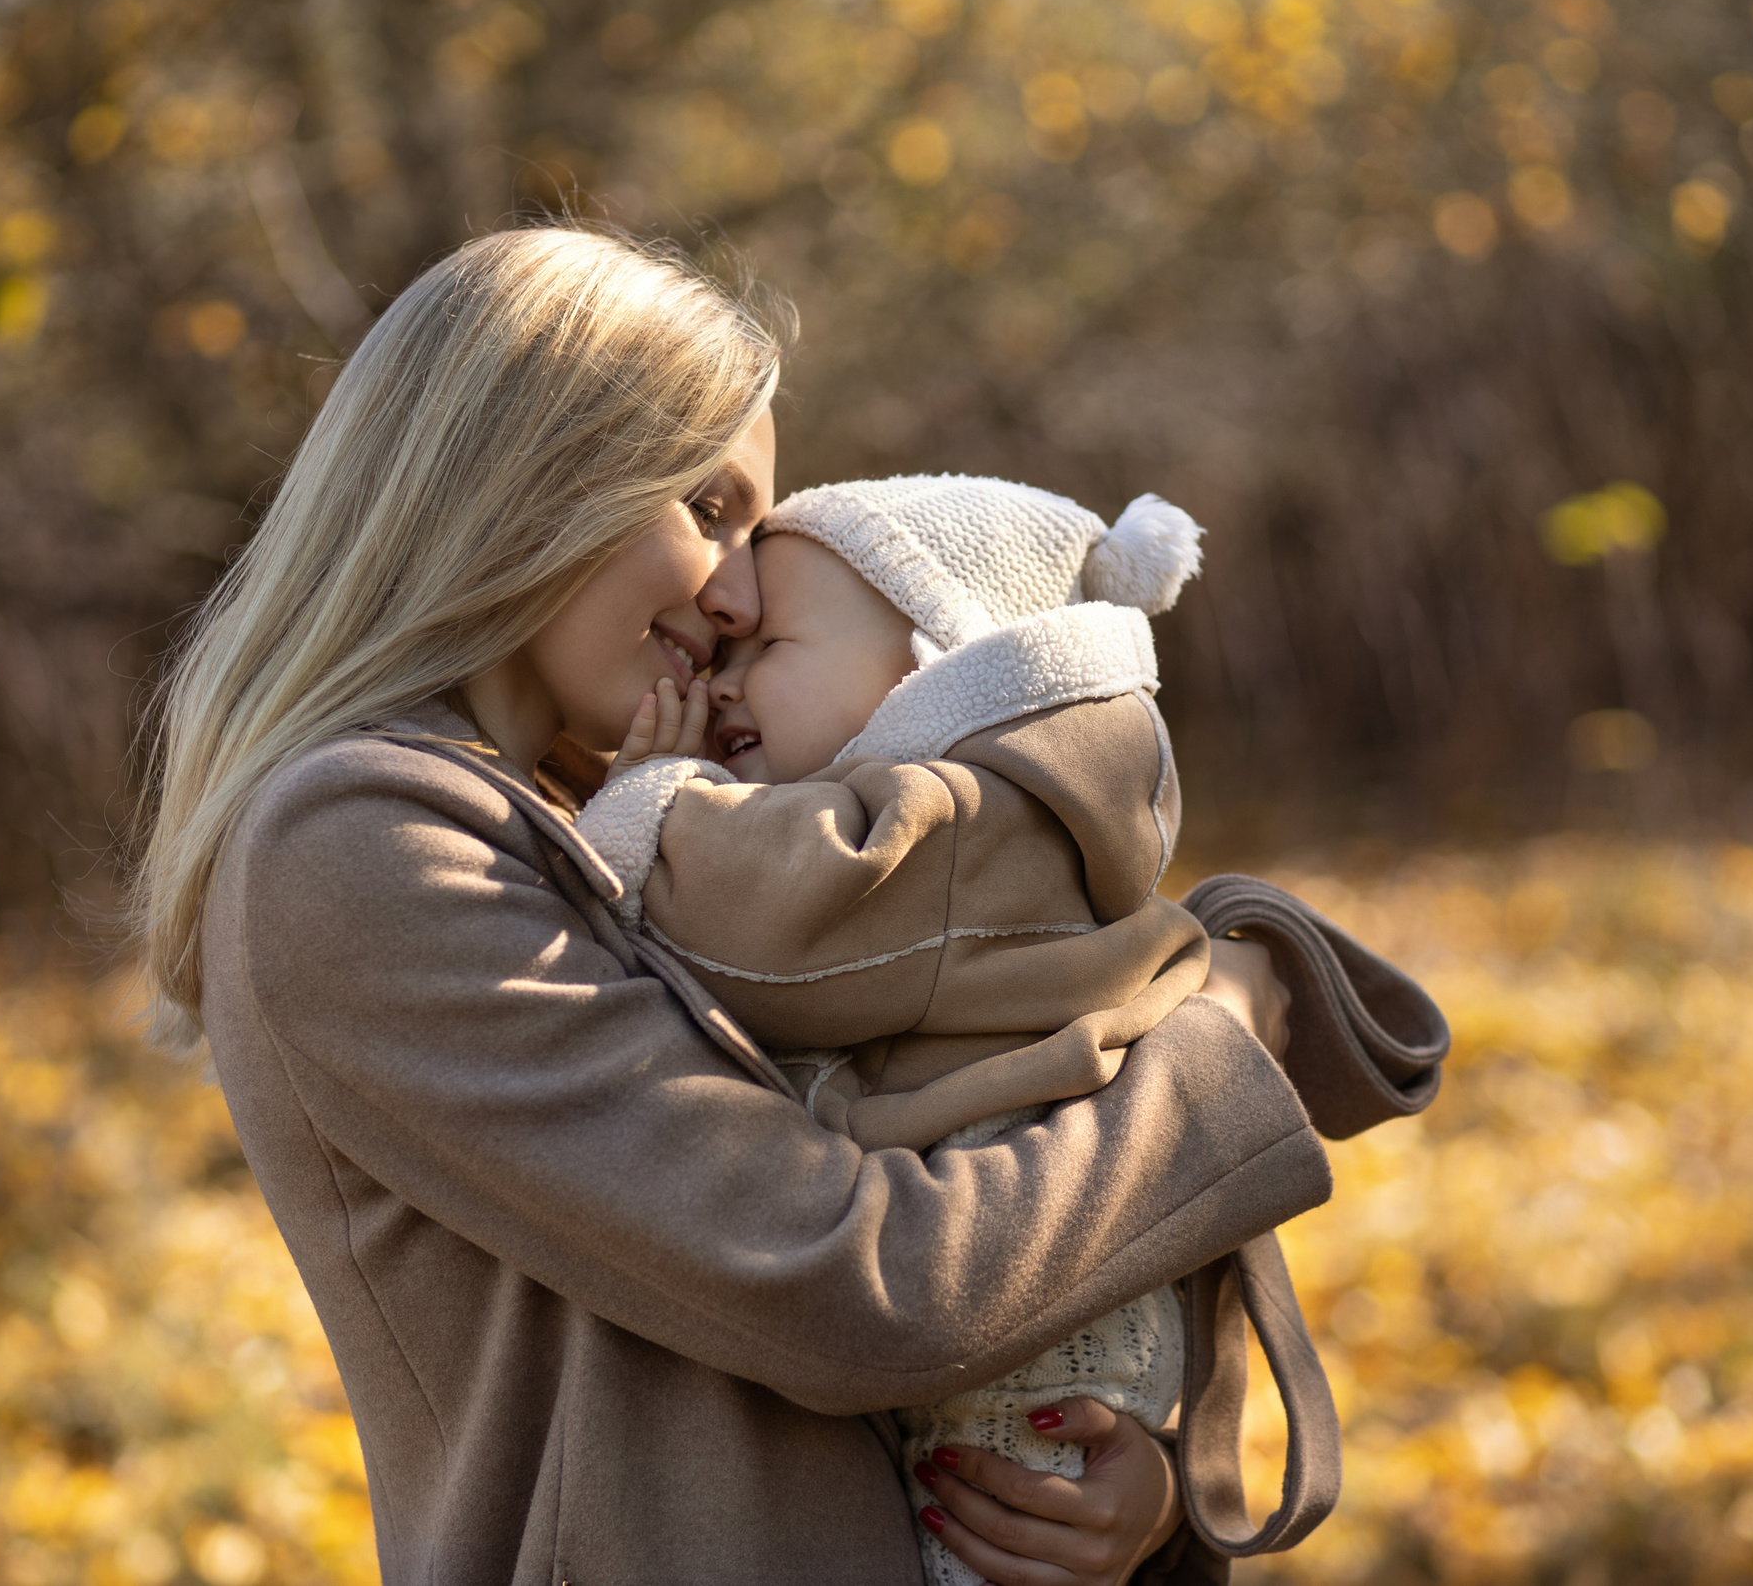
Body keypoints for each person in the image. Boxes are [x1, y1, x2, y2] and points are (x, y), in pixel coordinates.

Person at [129, 224, 1449, 1584]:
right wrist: (1226, 1036)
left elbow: (936, 1141)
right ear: (525, 475)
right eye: (706, 511)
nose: (742, 590)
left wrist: (1118, 1490)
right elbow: (852, 1284)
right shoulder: (356, 844)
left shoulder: (635, 823)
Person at [576, 473, 1441, 1586]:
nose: (721, 671)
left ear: (934, 666)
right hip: (1035, 1269)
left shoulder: (952, 821)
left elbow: (757, 935)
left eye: (768, 646)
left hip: (1016, 1309)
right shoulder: (1008, 811)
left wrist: (654, 797)